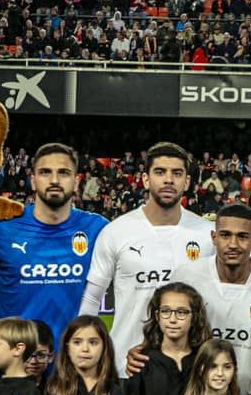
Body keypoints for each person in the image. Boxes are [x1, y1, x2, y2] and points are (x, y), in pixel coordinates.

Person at [0, 142, 108, 343]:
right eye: (45, 172)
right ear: (33, 181)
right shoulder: (1, 228)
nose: (55, 180)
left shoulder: (97, 228)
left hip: (71, 364)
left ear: (76, 182)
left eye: (64, 173)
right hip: (12, 364)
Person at [78, 141, 212, 376]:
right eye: (160, 172)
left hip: (187, 371)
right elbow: (91, 299)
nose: (169, 180)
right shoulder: (116, 231)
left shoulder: (205, 235)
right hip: (124, 368)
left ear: (187, 182)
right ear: (146, 179)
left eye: (177, 173)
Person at [169, 204, 251, 392]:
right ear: (213, 238)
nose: (233, 244)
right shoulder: (186, 277)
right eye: (225, 235)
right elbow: (162, 331)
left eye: (242, 236)